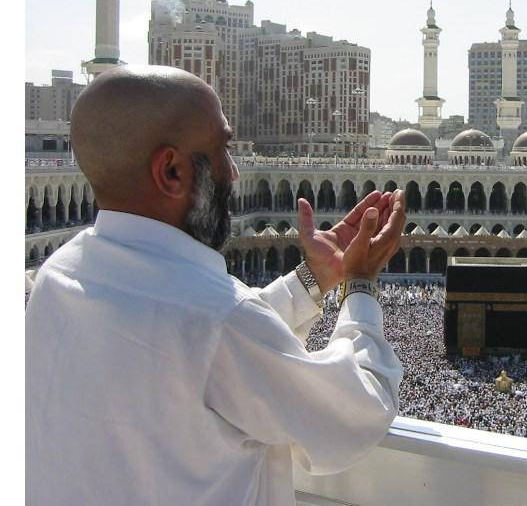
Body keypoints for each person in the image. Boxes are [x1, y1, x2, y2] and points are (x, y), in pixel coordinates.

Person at [25, 65, 406, 505]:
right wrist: (359, 284)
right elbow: (356, 414)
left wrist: (313, 279)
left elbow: (184, 348)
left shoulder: (58, 277)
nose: (235, 173)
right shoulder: (217, 323)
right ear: (171, 171)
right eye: (224, 149)